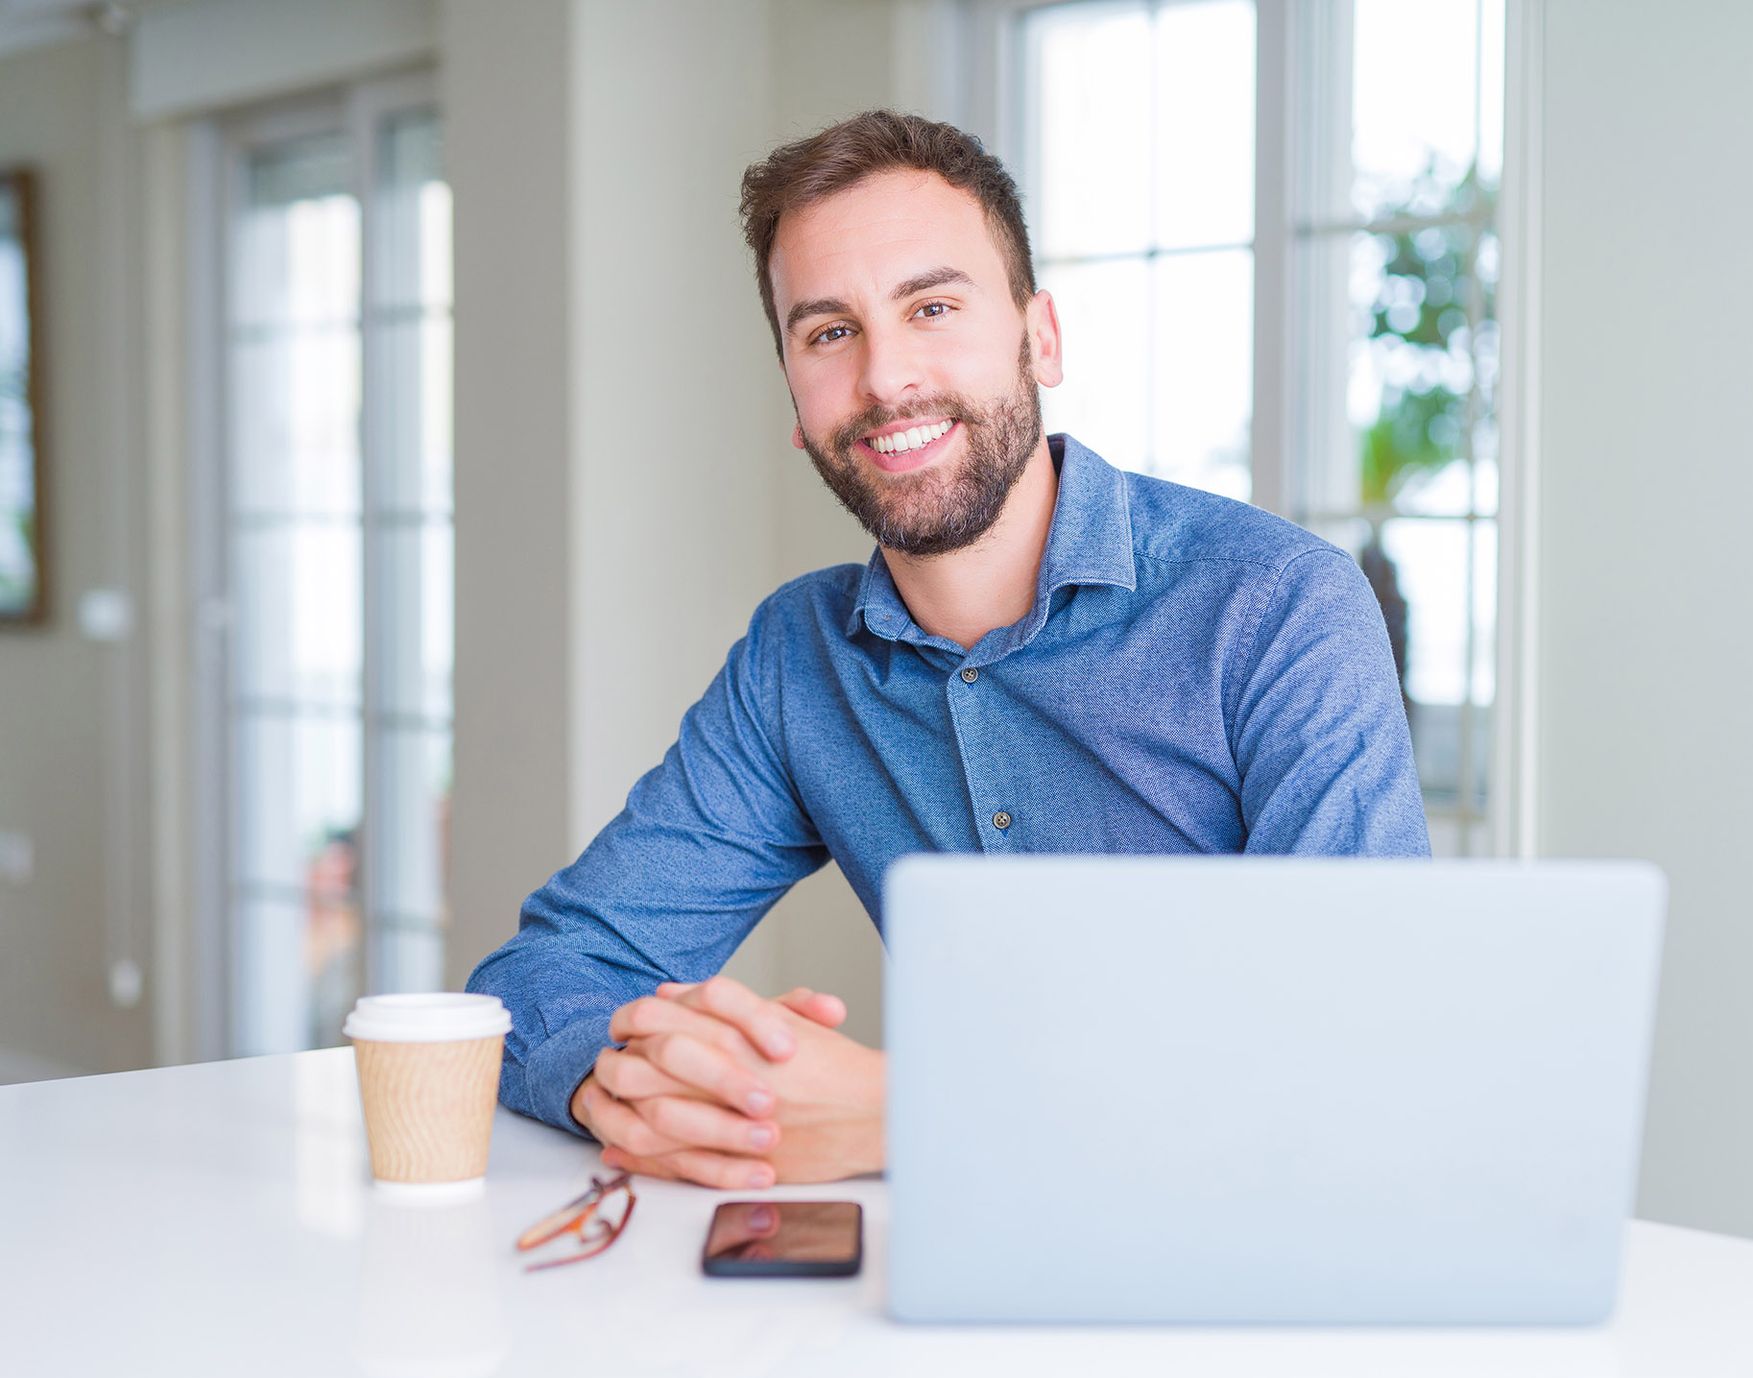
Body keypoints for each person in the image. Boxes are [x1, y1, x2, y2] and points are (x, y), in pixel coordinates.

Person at [467, 110, 1429, 1191]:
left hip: (1248, 1280)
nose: (886, 380)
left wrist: (909, 1117)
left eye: (933, 306)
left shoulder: (1279, 607)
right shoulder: (801, 657)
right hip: (939, 1295)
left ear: (1042, 337)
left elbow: (1356, 1054)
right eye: (830, 332)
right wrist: (631, 1089)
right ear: (793, 391)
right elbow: (540, 979)